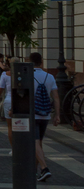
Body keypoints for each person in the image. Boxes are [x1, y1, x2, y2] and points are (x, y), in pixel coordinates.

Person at [29, 52, 61, 182]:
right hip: (45, 114)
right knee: (39, 142)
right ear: (41, 62)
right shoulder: (50, 76)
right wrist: (57, 115)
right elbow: (56, 97)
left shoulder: (28, 75)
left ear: (30, 62)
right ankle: (35, 172)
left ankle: (44, 168)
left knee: (34, 142)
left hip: (32, 113)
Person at [0, 57, 15, 153]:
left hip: (9, 101)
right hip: (22, 102)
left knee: (10, 126)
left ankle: (14, 148)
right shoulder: (25, 74)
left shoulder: (5, 75)